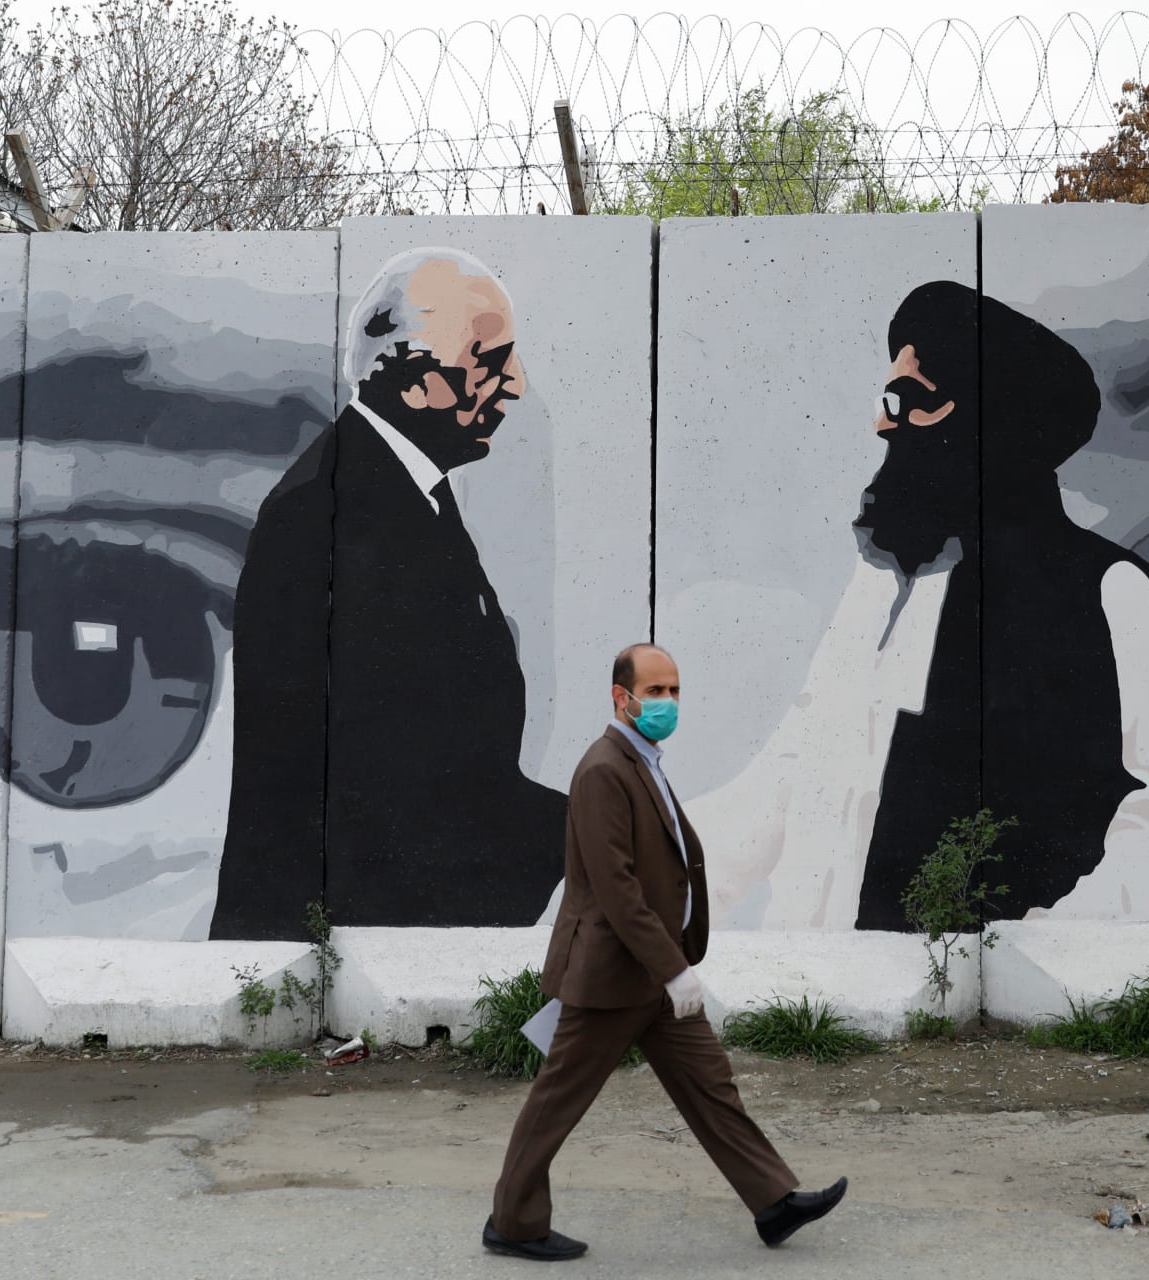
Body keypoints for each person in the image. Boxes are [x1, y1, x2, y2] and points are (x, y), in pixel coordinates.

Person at [693, 281, 1149, 929]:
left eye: (910, 400)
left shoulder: (1108, 591)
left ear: (987, 418)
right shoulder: (887, 590)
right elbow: (794, 766)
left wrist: (1049, 954)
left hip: (1023, 993)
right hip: (843, 985)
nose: (883, 422)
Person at [211, 247, 568, 938]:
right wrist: (575, 835)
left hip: (392, 911)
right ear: (412, 379)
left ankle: (569, 1038)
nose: (515, 384)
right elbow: (391, 770)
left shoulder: (405, 492)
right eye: (489, 357)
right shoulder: (329, 513)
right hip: (355, 922)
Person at [485, 643, 847, 1261]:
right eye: (655, 692)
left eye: (675, 690)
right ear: (620, 698)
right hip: (612, 972)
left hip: (653, 974)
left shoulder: (643, 760)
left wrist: (672, 962)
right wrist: (674, 969)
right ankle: (513, 1224)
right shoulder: (603, 768)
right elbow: (616, 888)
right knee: (558, 1099)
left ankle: (773, 1202)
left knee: (711, 1084)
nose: (668, 702)